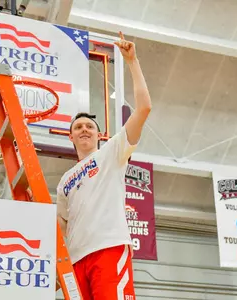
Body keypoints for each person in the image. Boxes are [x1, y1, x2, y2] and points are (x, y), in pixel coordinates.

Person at [56, 32, 151, 300]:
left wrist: (132, 61)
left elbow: (144, 108)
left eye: (90, 126)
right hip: (76, 260)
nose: (84, 129)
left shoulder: (112, 151)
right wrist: (57, 265)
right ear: (71, 136)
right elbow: (61, 225)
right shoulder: (65, 179)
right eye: (78, 127)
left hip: (108, 249)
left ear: (99, 135)